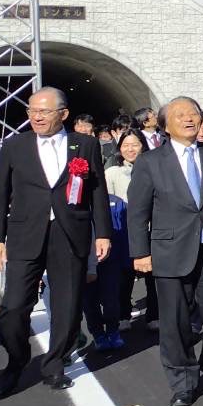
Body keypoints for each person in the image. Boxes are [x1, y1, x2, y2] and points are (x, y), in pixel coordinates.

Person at [0, 87, 112, 398]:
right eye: (32, 111)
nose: (36, 117)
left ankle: (55, 363)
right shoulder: (16, 145)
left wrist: (103, 232)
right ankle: (17, 360)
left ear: (63, 114)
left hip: (70, 233)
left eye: (44, 111)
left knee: (67, 305)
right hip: (25, 234)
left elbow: (97, 191)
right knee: (14, 307)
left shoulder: (85, 145)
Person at [128, 97, 203, 406]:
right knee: (175, 321)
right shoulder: (150, 162)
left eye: (193, 113)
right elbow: (138, 211)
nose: (190, 119)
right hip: (169, 250)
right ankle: (183, 379)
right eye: (180, 115)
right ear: (165, 125)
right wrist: (140, 252)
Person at [83, 128, 144, 351]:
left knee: (111, 297)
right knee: (89, 301)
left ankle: (113, 329)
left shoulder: (116, 202)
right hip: (85, 254)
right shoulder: (74, 200)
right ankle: (97, 334)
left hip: (110, 256)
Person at [105, 129, 148, 333]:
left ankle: (154, 315)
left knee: (153, 275)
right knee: (124, 275)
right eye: (126, 146)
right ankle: (123, 313)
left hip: (150, 227)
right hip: (123, 230)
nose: (130, 149)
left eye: (135, 145)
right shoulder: (113, 173)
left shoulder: (152, 169)